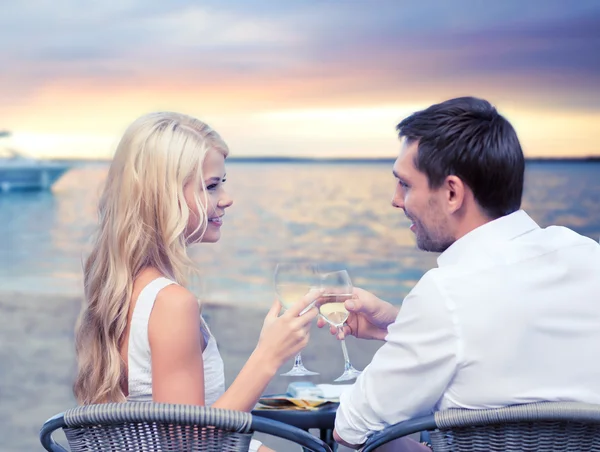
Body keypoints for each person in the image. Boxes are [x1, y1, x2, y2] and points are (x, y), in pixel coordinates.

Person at [319, 97, 600, 450]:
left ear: (452, 193)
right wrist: (400, 324)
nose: (395, 200)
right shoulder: (587, 255)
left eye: (405, 184)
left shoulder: (447, 292)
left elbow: (352, 428)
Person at [73, 112, 319, 452]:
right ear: (165, 195)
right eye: (212, 185)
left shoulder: (123, 285)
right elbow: (189, 446)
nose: (227, 198)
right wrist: (268, 354)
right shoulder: (171, 303)